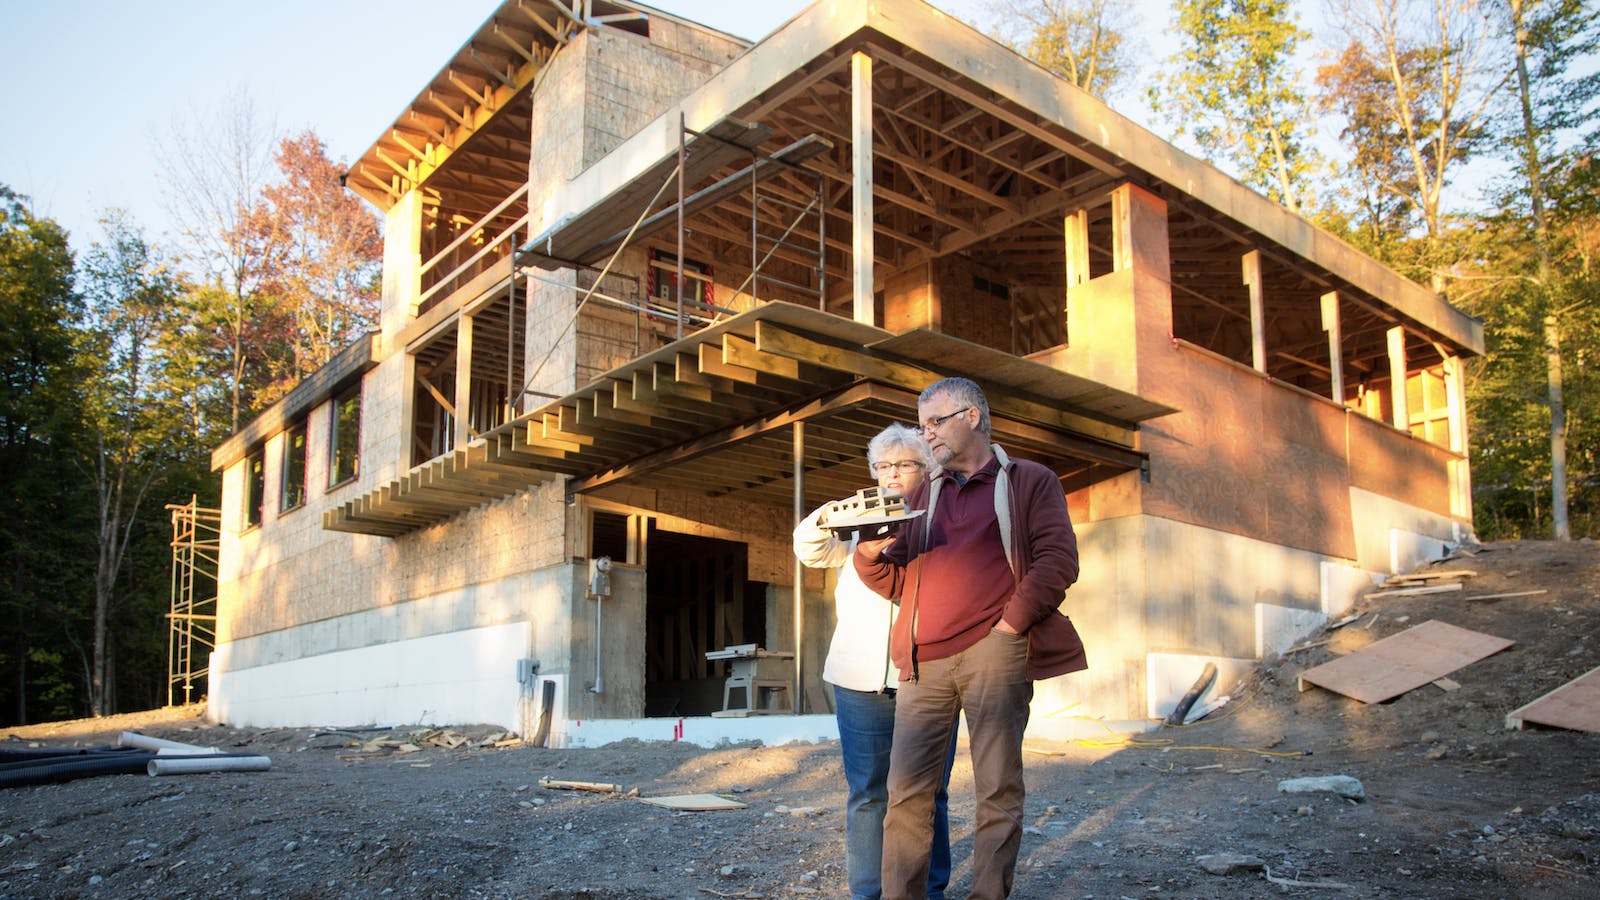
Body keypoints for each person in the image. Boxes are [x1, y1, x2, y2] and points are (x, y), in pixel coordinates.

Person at [855, 377, 1087, 900]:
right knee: (906, 794)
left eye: (935, 422)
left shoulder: (1029, 480)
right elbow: (895, 579)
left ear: (973, 417)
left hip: (994, 652)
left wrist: (1010, 626)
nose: (926, 434)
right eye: (922, 425)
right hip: (922, 663)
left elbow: (1058, 560)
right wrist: (867, 554)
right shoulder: (921, 494)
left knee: (997, 789)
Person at [793, 423, 957, 900]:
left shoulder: (941, 518)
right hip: (859, 681)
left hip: (929, 676)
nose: (891, 475)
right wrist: (836, 514)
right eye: (882, 466)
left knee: (930, 793)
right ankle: (869, 892)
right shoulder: (855, 523)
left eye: (904, 464)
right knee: (868, 793)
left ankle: (930, 889)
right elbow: (809, 549)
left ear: (926, 469)